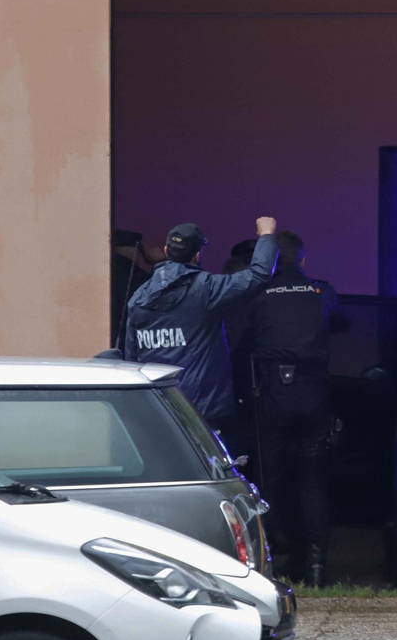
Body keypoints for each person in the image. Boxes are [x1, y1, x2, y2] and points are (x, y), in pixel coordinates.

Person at [243, 230, 349, 585]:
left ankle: (272, 564)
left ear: (270, 260)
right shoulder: (321, 291)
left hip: (270, 396)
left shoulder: (255, 292)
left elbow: (239, 341)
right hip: (313, 397)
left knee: (268, 483)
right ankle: (317, 568)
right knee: (312, 482)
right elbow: (341, 322)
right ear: (302, 259)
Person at [123, 218, 278, 445]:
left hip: (160, 408)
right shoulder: (206, 289)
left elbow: (131, 360)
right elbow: (258, 276)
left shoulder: (138, 297)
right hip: (203, 412)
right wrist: (266, 236)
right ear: (197, 255)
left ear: (166, 251)